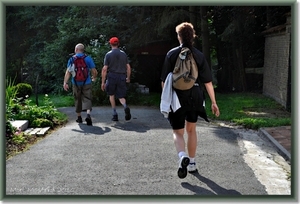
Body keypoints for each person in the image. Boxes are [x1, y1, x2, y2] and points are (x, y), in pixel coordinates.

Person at [160, 22, 220, 179]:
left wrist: (166, 99)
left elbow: (164, 81)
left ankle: (182, 156)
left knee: (177, 132)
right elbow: (207, 82)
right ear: (193, 36)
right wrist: (214, 102)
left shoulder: (171, 54)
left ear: (179, 36)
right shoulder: (199, 55)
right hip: (196, 96)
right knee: (191, 130)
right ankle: (192, 162)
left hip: (177, 98)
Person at [63, 43, 98, 126]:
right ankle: (88, 115)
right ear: (83, 50)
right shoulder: (88, 58)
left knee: (77, 99)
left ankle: (79, 118)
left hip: (75, 82)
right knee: (87, 98)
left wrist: (65, 82)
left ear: (76, 50)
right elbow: (94, 71)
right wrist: (94, 77)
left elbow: (68, 72)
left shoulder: (72, 59)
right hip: (87, 82)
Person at [101, 37, 131, 121]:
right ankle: (125, 106)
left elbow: (104, 69)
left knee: (111, 95)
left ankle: (115, 114)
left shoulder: (108, 54)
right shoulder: (123, 54)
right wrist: (128, 77)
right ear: (118, 44)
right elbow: (128, 67)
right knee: (121, 96)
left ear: (110, 44)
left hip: (112, 76)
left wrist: (103, 82)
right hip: (121, 76)